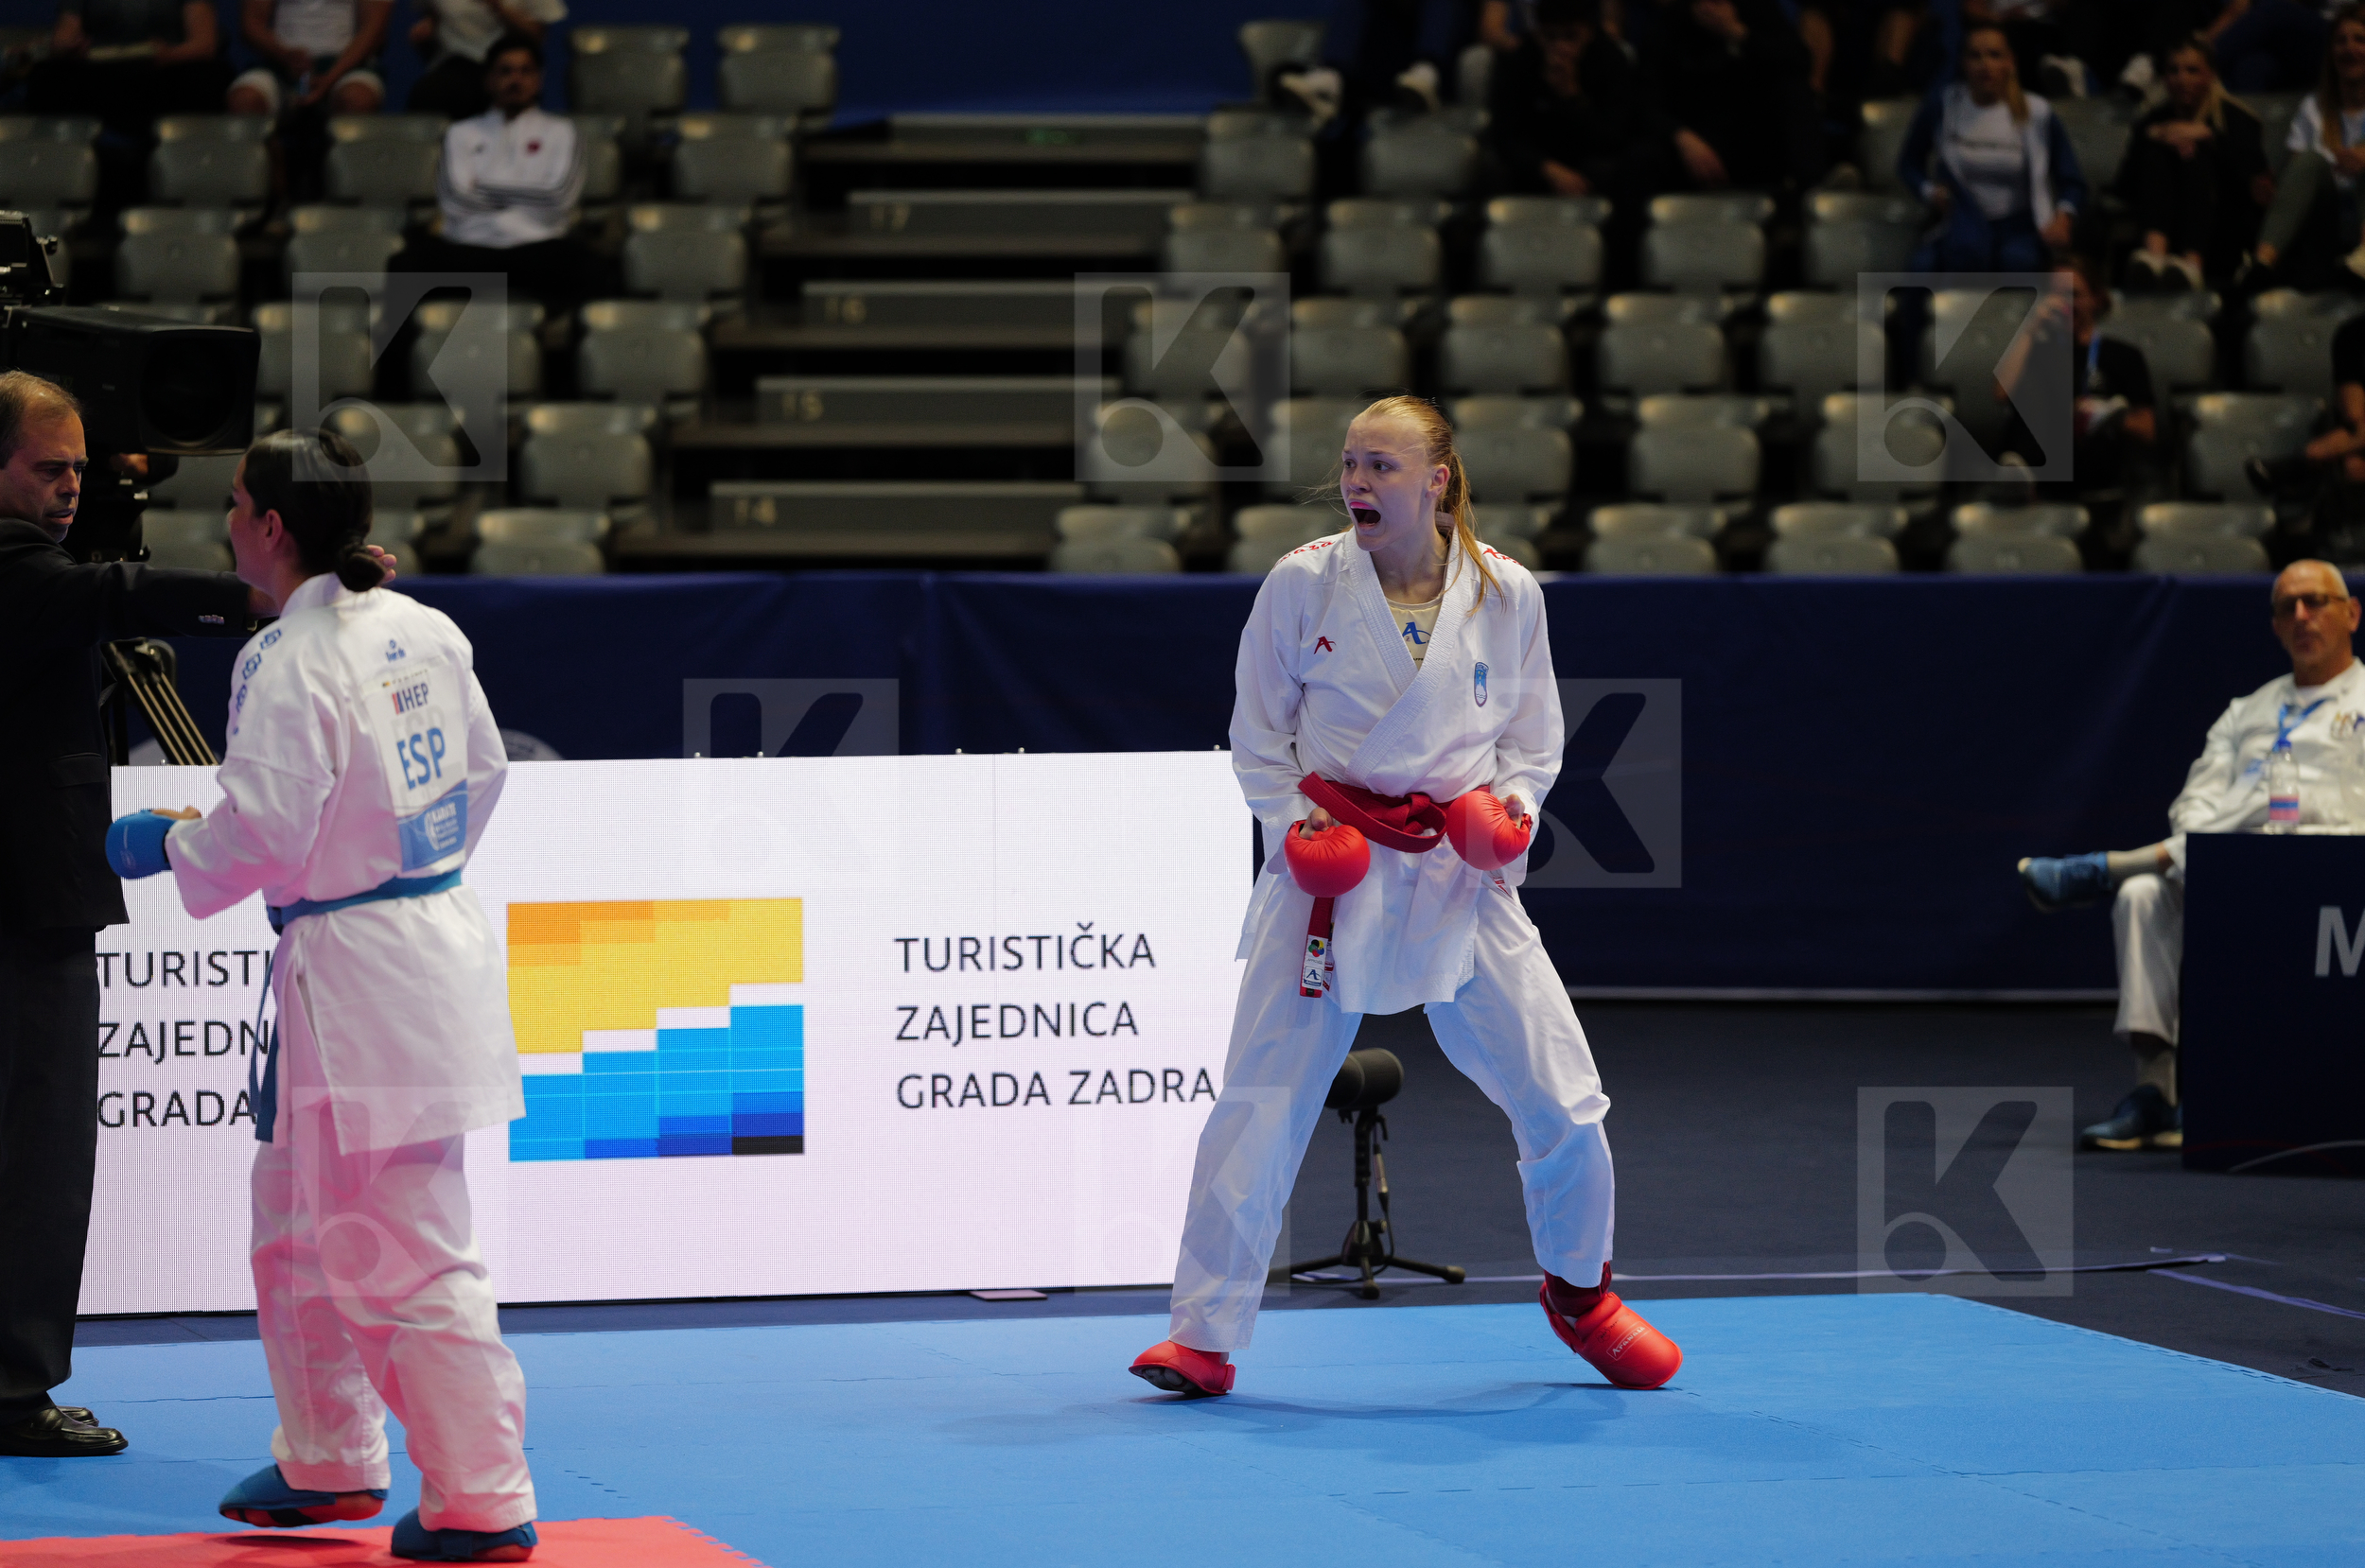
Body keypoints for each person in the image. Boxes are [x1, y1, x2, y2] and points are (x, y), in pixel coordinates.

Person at [1128, 395, 1682, 1399]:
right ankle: (1202, 1334)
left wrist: (1508, 813)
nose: (1356, 483)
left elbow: (1533, 738)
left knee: (1564, 1095)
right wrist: (1297, 825)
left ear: (1437, 479)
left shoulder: (1507, 592)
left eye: (1381, 466)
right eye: (1349, 464)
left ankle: (1583, 1297)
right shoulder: (1303, 583)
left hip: (1458, 875)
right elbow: (1257, 736)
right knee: (1257, 1101)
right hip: (1328, 874)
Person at [107, 427, 534, 1561]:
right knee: (295, 1225)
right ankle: (329, 1457)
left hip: (363, 967)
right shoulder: (423, 627)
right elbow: (482, 771)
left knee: (403, 1238)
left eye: (240, 502)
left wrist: (169, 843)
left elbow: (266, 829)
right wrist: (392, 865)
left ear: (274, 527)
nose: (229, 519)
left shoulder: (285, 658)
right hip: (398, 939)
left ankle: (482, 1496)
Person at [0, 371, 264, 1458]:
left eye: (80, 469)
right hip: (30, 900)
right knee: (38, 1157)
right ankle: (13, 1391)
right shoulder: (17, 567)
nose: (71, 488)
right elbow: (113, 595)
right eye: (47, 468)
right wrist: (264, 594)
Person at [2018, 561, 2364, 1151]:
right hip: (2232, 869)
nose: (2302, 617)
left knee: (2288, 803)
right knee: (2142, 895)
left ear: (2351, 613)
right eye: (2287, 608)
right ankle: (2158, 1093)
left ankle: (2105, 866)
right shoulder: (2246, 711)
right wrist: (2230, 836)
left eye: (2316, 602)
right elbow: (2194, 805)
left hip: (2335, 871)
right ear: (2275, 627)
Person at [389, 35, 604, 318]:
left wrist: (484, 189)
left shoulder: (563, 132)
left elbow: (558, 199)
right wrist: (527, 195)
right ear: (489, 80)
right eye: (505, 71)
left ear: (539, 80)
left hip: (536, 250)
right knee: (405, 264)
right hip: (470, 251)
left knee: (592, 267)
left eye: (525, 71)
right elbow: (456, 201)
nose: (515, 80)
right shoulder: (460, 133)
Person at [1897, 22, 2087, 271]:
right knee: (1922, 268)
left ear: (2010, 62)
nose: (1985, 64)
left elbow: (2071, 180)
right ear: (1963, 63)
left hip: (2019, 227)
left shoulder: (2037, 113)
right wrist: (1929, 191)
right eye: (1975, 56)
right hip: (1959, 223)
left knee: (2018, 262)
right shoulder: (1943, 106)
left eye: (1995, 55)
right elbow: (1909, 163)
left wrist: (2064, 218)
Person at [1991, 253, 2158, 503]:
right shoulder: (2035, 348)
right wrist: (2030, 329)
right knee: (2031, 393)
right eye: (2054, 295)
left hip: (2093, 459)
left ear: (2096, 299)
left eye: (2074, 295)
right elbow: (2000, 393)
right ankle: (2019, 475)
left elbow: (2147, 430)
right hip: (2043, 459)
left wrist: (2107, 418)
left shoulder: (2124, 356)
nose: (2063, 304)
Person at [2119, 36, 2274, 292]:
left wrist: (2208, 137)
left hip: (2223, 230)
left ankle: (2192, 263)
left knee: (2196, 154)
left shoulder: (2236, 117)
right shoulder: (2152, 120)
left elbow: (2254, 180)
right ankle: (2153, 258)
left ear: (2210, 75)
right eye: (2173, 70)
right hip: (2167, 222)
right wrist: (2156, 136)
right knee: (2158, 147)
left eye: (2192, 71)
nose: (2182, 79)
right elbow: (2123, 186)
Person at [1488, 0, 1673, 209]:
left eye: (1571, 36)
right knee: (1494, 167)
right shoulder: (1520, 61)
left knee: (1636, 161)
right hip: (1539, 160)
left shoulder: (1610, 59)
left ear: (1589, 32)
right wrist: (1547, 168)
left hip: (1591, 158)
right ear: (1538, 34)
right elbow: (1504, 135)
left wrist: (1572, 96)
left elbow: (1614, 135)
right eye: (1551, 36)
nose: (1561, 47)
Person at [1632, 0, 1824, 193]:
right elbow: (1646, 99)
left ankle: (1814, 191)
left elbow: (1798, 61)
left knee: (1792, 91)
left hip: (1752, 135)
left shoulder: (1755, 10)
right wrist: (1681, 136)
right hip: (1691, 134)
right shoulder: (1671, 20)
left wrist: (1737, 32)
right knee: (1643, 157)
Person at [2249, 4, 2365, 293]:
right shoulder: (2314, 107)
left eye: (2360, 40)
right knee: (2310, 161)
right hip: (2327, 219)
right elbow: (2299, 170)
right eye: (2341, 41)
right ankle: (2260, 266)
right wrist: (2272, 187)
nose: (2349, 48)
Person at [27, 0, 234, 137]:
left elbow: (204, 44)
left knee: (208, 78)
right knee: (47, 78)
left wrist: (170, 55)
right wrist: (68, 47)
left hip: (166, 71)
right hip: (102, 73)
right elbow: (64, 34)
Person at [228, 0, 392, 120]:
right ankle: (275, 164)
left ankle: (342, 166)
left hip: (347, 66)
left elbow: (374, 29)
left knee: (357, 99)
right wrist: (284, 55)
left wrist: (331, 76)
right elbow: (251, 23)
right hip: (281, 63)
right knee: (244, 99)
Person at [405, 0, 562, 124]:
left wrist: (497, 7)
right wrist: (426, 32)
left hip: (506, 62)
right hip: (453, 67)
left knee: (512, 84)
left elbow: (537, 36)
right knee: (430, 94)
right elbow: (432, 17)